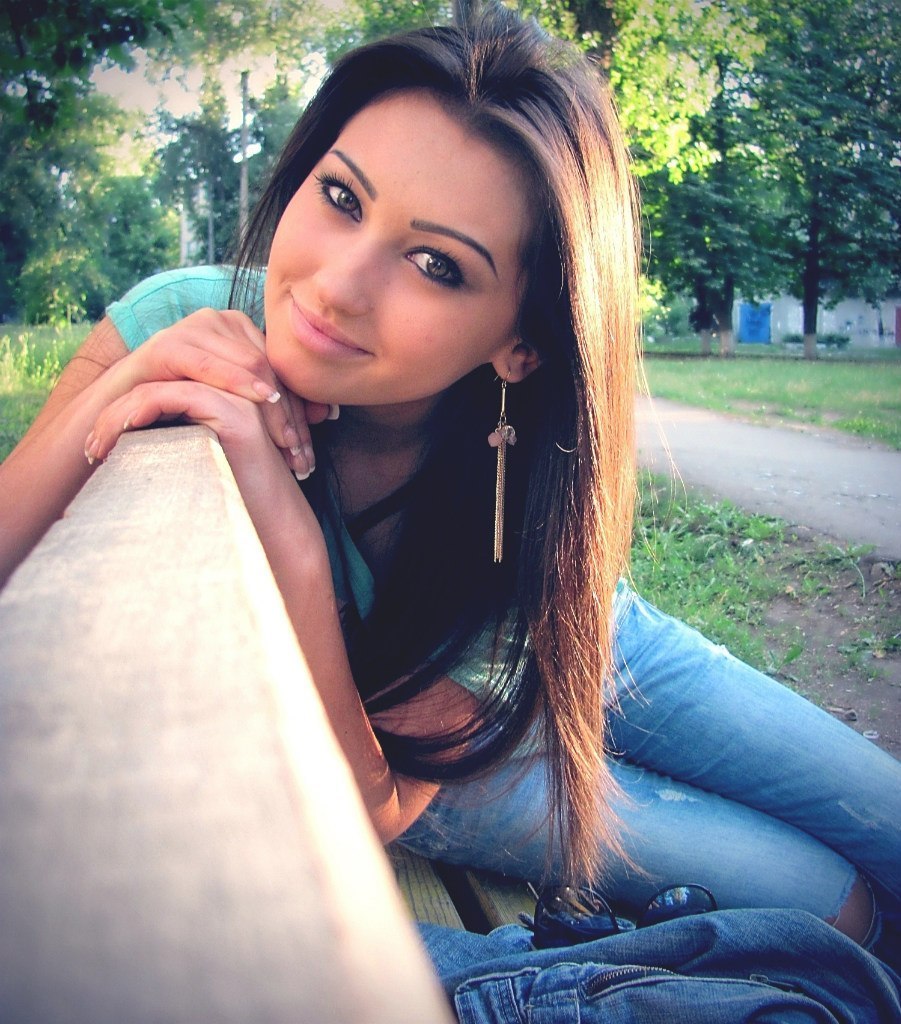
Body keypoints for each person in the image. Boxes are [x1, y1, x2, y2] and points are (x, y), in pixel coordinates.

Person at [1, 4, 898, 965]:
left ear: (521, 345)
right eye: (341, 197)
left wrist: (288, 532)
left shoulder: (514, 474)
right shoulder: (183, 319)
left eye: (436, 265)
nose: (336, 285)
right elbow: (372, 799)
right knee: (834, 902)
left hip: (570, 634)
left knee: (885, 818)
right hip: (423, 753)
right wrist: (136, 380)